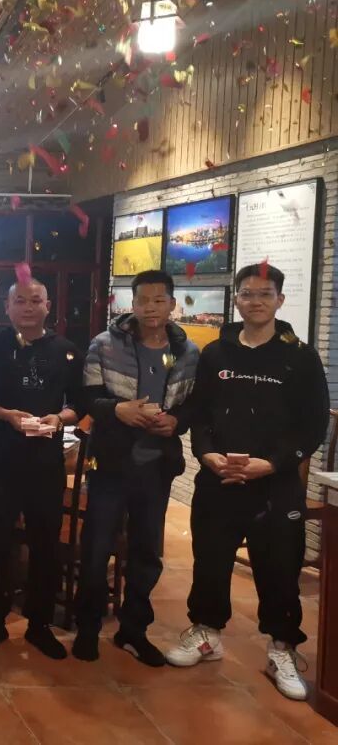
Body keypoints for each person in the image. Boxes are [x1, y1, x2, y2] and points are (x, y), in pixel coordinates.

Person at [166, 263, 329, 701]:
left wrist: (272, 464)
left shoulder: (300, 357)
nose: (255, 301)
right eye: (247, 294)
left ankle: (282, 648)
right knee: (210, 559)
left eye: (265, 294)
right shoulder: (215, 354)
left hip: (275, 484)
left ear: (280, 300)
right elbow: (199, 412)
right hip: (218, 479)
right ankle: (206, 632)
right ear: (236, 299)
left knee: (280, 568)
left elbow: (313, 424)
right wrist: (206, 454)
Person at [72, 270, 199, 665]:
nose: (151, 308)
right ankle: (88, 627)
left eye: (159, 300)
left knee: (147, 553)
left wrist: (176, 421)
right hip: (110, 463)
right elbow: (87, 398)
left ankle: (133, 630)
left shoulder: (187, 352)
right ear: (133, 303)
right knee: (96, 549)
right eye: (143, 300)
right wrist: (117, 410)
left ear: (172, 304)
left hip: (157, 465)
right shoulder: (105, 345)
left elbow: (195, 404)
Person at [0, 277, 83, 659]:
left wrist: (59, 418)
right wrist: (6, 414)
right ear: (7, 307)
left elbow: (80, 403)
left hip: (45, 462)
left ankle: (39, 624)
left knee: (45, 545)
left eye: (36, 300)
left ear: (48, 306)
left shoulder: (66, 351)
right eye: (19, 301)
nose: (28, 307)